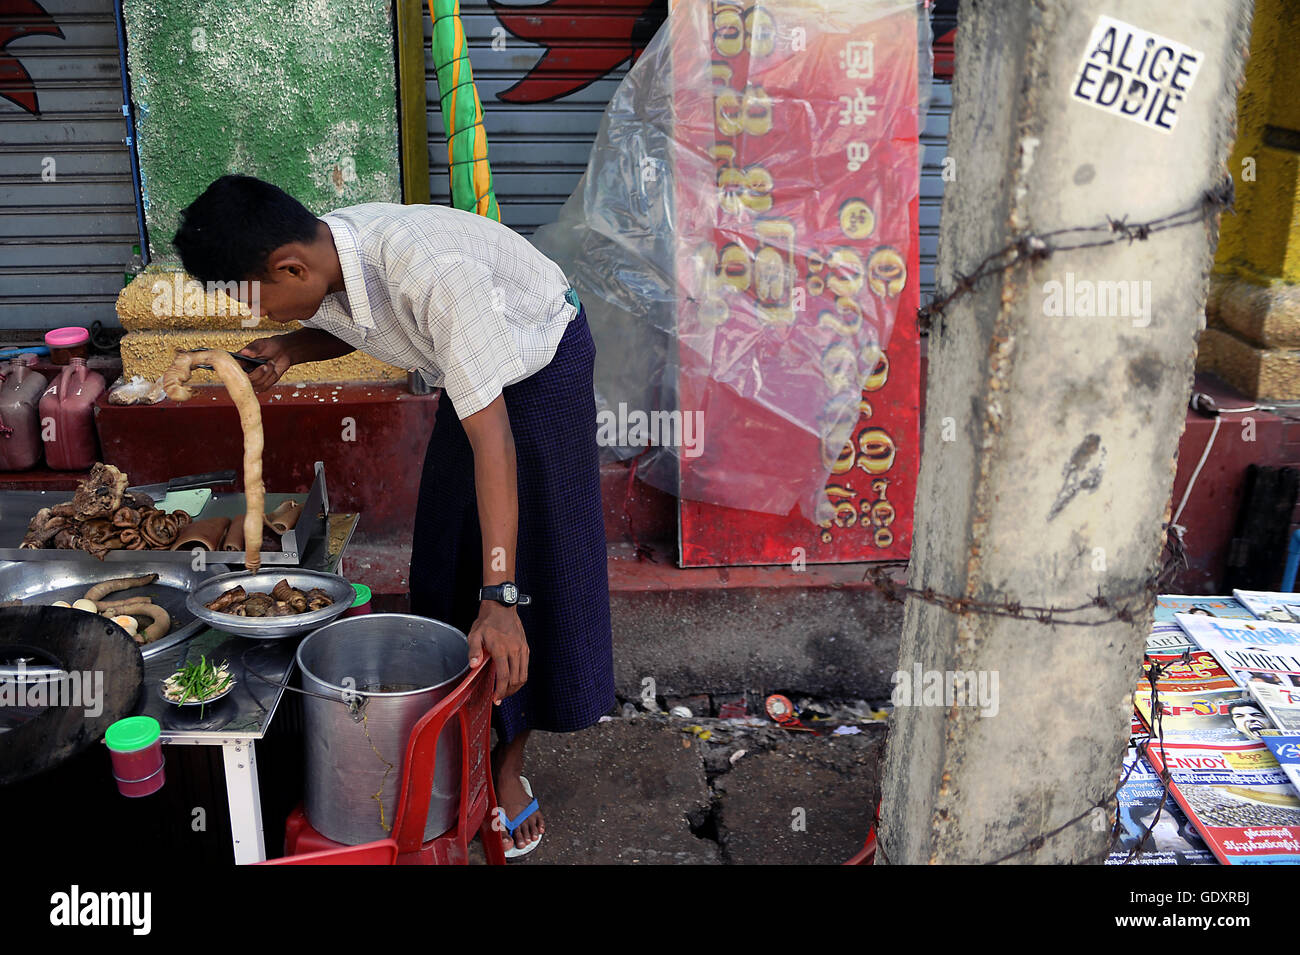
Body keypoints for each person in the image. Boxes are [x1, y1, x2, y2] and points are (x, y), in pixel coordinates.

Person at [173, 175, 615, 858]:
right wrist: (291, 348)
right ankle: (458, 731)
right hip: (468, 365)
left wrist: (500, 596)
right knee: (445, 545)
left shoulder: (432, 274)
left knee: (528, 572)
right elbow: (359, 322)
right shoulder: (330, 253)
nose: (247, 315)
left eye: (247, 297)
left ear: (290, 265)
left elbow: (493, 437)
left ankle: (507, 767)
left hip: (540, 361)